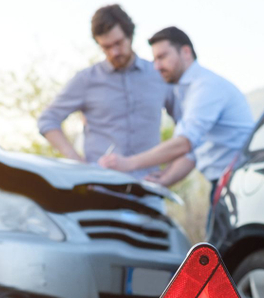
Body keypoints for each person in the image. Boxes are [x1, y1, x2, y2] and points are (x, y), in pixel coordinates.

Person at [99, 26, 254, 194]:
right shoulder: (187, 91)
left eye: (162, 57)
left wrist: (128, 163)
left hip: (241, 183)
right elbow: (193, 152)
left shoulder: (206, 87)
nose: (157, 66)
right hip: (226, 183)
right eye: (155, 60)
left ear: (186, 52)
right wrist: (164, 178)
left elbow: (183, 144)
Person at [37, 4, 169, 179]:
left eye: (118, 43)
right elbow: (48, 119)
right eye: (106, 47)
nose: (114, 52)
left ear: (130, 36)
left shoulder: (159, 74)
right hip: (100, 186)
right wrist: (78, 163)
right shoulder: (86, 79)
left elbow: (187, 129)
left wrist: (168, 175)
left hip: (148, 188)